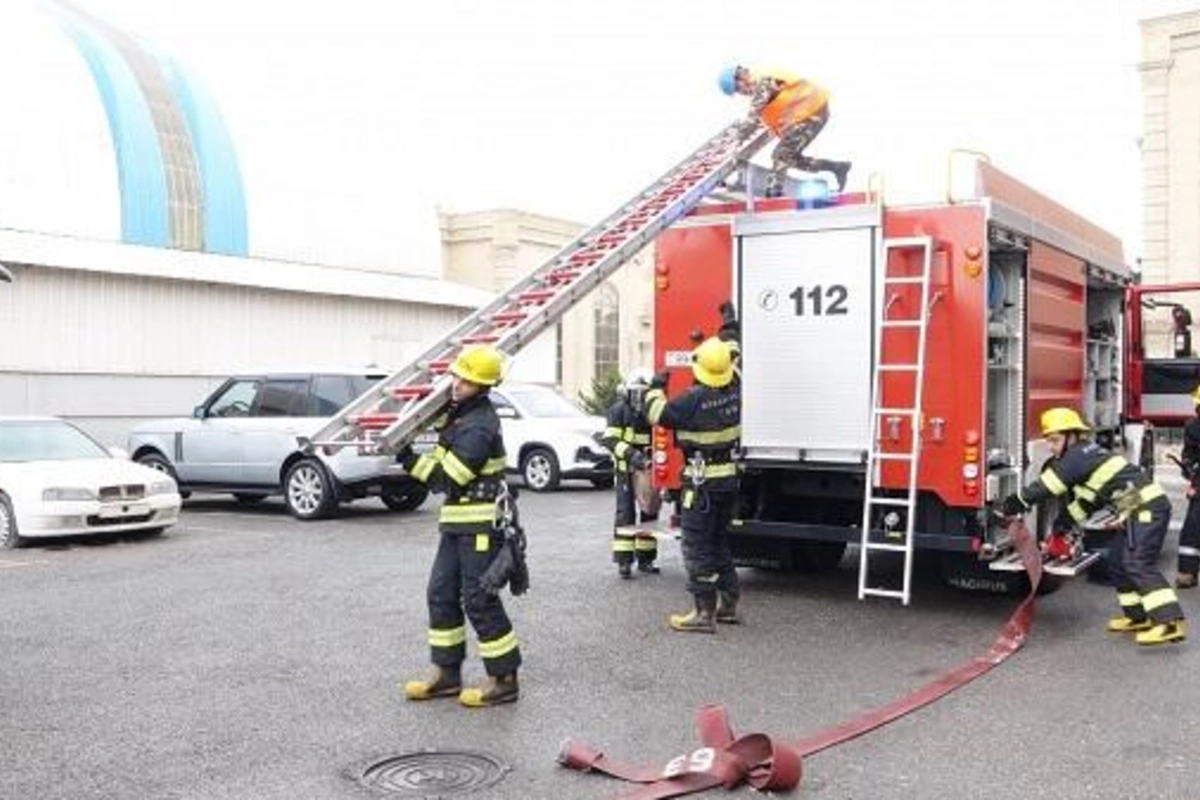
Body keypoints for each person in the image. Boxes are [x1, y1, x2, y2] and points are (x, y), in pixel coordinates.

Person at [400, 344, 522, 706]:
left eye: (466, 381)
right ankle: (446, 674)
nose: (457, 384)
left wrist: (406, 459)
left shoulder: (480, 425)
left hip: (480, 527)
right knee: (439, 594)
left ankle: (504, 679)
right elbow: (438, 464)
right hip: (456, 525)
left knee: (479, 600)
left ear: (482, 386)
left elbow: (447, 480)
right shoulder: (458, 418)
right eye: (457, 377)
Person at [1001, 408, 1186, 646]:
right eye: (1048, 441)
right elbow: (1090, 500)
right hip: (1136, 507)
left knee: (1137, 563)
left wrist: (1015, 502)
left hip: (1148, 509)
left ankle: (1169, 623)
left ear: (1072, 436)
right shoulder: (1087, 455)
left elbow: (1047, 487)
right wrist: (1063, 523)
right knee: (1118, 563)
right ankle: (1137, 617)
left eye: (1055, 440)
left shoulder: (1077, 456)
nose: (1051, 447)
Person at [645, 337, 742, 633]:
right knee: (719, 543)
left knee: (698, 548)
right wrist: (729, 338)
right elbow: (733, 358)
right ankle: (728, 605)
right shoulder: (736, 390)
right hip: (728, 481)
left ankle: (704, 614)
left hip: (701, 487)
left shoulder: (693, 400)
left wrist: (656, 387)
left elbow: (656, 413)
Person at [717, 64, 852, 197]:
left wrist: (734, 141)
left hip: (812, 110)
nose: (741, 93)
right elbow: (760, 120)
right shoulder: (762, 87)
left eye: (738, 88)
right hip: (808, 113)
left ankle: (774, 191)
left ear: (740, 76)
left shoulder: (762, 82)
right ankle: (837, 167)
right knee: (790, 158)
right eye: (737, 92)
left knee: (780, 155)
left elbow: (752, 121)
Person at [599, 368, 659, 578]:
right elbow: (610, 440)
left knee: (649, 513)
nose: (638, 398)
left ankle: (646, 559)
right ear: (626, 391)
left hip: (647, 470)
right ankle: (624, 563)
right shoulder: (618, 411)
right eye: (635, 392)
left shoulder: (651, 413)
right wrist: (632, 455)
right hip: (626, 470)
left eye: (643, 393)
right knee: (626, 514)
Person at [1174, 385, 1200, 588]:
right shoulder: (1193, 427)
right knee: (1192, 527)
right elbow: (1189, 453)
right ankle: (1187, 573)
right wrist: (1188, 467)